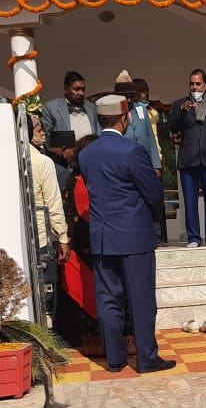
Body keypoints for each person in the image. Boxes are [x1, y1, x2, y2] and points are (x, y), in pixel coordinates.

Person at [78, 94, 175, 374]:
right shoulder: (133, 152)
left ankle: (115, 359)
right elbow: (154, 193)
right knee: (141, 299)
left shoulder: (86, 154)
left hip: (103, 236)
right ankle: (146, 358)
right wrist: (152, 218)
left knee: (108, 299)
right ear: (124, 118)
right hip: (134, 236)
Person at [169, 69, 206, 248]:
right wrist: (181, 111)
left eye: (197, 83)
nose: (194, 87)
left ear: (205, 85)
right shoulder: (181, 104)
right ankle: (193, 237)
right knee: (190, 200)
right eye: (191, 84)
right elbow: (172, 126)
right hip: (188, 160)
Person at [55, 135, 100, 349]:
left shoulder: (97, 178)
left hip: (98, 243)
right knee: (85, 292)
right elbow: (75, 213)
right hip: (85, 245)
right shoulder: (76, 180)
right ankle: (90, 340)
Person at [27, 115, 70, 319]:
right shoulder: (43, 162)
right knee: (46, 297)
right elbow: (54, 203)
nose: (43, 133)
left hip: (22, 237)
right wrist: (62, 237)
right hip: (42, 239)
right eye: (37, 129)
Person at [114, 70, 162, 174]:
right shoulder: (111, 113)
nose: (129, 100)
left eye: (131, 96)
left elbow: (151, 138)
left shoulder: (141, 108)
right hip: (123, 164)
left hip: (145, 163)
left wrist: (156, 165)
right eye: (126, 97)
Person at [42, 70, 99, 146]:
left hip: (90, 151)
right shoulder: (51, 108)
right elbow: (47, 136)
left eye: (83, 89)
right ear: (66, 89)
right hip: (65, 154)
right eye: (77, 89)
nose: (81, 93)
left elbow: (98, 131)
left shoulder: (91, 107)